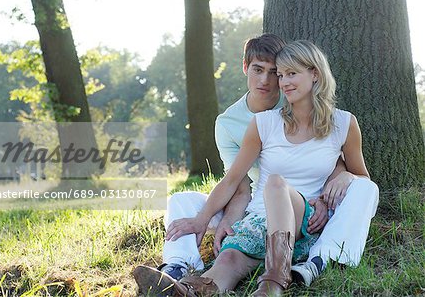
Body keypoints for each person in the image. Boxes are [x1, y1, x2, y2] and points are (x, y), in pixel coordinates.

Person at [133, 36, 379, 296]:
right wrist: (204, 220)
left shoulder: (343, 122)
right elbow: (234, 182)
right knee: (227, 259)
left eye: (286, 74)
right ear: (246, 68)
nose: (279, 82)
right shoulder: (260, 123)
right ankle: (184, 286)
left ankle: (279, 278)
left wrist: (347, 177)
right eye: (281, 75)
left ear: (315, 74)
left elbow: (355, 171)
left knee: (282, 183)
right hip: (258, 213)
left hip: (304, 215)